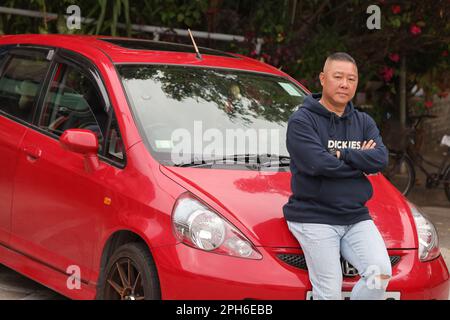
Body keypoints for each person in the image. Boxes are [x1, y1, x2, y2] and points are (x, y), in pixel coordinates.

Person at [283, 52, 391, 300]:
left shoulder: (363, 121)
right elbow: (319, 164)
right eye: (338, 77)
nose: (345, 84)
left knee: (380, 274)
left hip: (355, 216)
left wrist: (340, 153)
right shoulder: (302, 120)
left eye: (351, 79)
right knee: (329, 292)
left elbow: (380, 159)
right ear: (323, 79)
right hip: (314, 217)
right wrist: (358, 161)